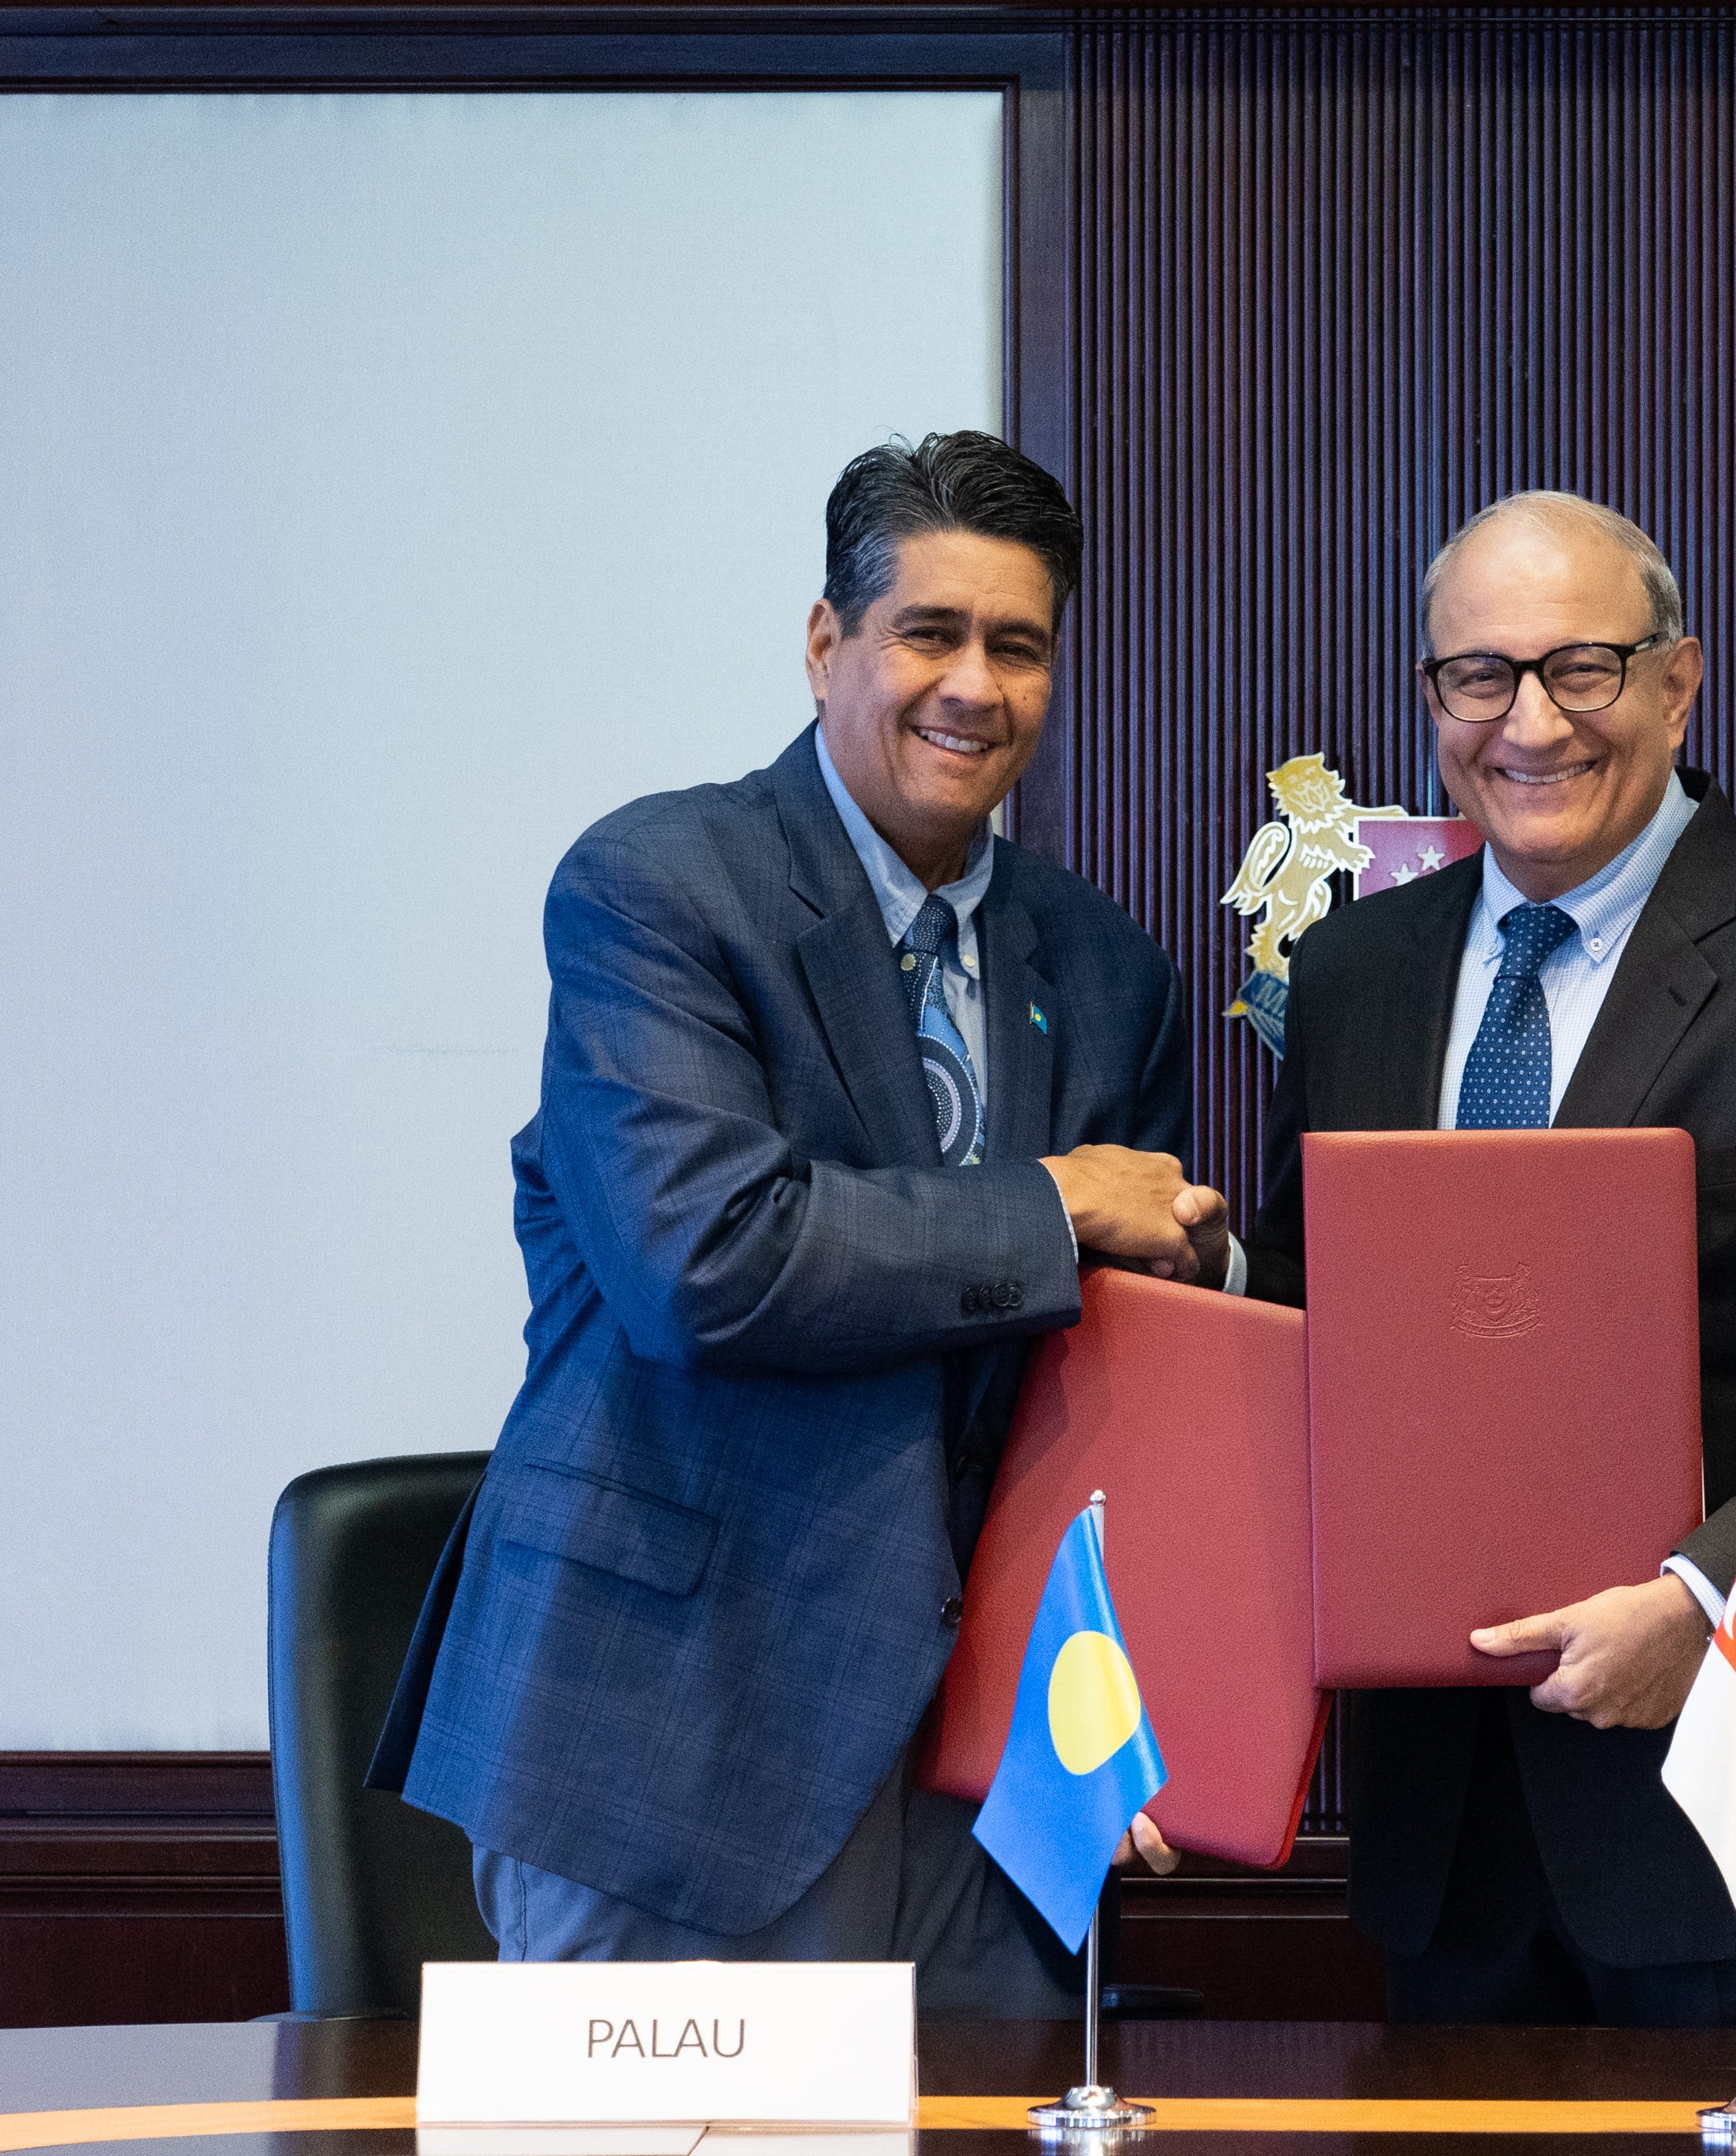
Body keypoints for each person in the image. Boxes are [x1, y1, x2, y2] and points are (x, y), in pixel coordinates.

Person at [373, 431, 1222, 2012]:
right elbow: (708, 1259)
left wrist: (1158, 1687)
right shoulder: (659, 887)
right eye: (929, 632)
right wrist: (1052, 1204)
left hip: (997, 1786)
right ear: (827, 641)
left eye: (1017, 645)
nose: (972, 683)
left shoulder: (1105, 969)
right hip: (676, 1740)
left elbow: (1128, 1371)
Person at [1243, 492, 1736, 2027]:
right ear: (1431, 701)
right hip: (1447, 1853)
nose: (1526, 721)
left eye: (1580, 669)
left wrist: (1701, 1598)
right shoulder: (1351, 977)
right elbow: (1303, 1348)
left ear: (1678, 682)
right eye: (1477, 676)